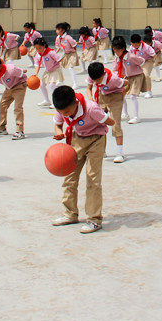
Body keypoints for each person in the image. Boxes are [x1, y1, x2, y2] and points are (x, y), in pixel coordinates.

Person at [50, 85, 114, 234]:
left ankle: (94, 219)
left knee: (93, 179)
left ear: (75, 103)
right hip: (77, 139)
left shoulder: (91, 109)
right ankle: (70, 214)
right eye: (61, 112)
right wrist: (59, 133)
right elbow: (58, 124)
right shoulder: (62, 108)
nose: (64, 114)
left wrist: (102, 116)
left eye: (66, 112)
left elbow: (110, 122)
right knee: (69, 177)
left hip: (96, 139)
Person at [86, 61, 126, 163]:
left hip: (115, 97)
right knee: (98, 123)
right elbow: (89, 88)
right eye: (95, 81)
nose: (97, 82)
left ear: (103, 74)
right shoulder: (92, 75)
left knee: (115, 124)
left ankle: (120, 153)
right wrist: (91, 100)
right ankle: (101, 150)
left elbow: (126, 83)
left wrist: (122, 96)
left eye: (99, 80)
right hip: (102, 97)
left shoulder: (114, 79)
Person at [112, 36, 145, 124]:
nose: (116, 52)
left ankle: (136, 117)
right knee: (121, 95)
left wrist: (135, 67)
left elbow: (142, 61)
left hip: (136, 76)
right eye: (114, 50)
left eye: (118, 50)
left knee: (133, 96)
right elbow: (115, 70)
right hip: (126, 78)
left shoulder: (131, 56)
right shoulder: (117, 58)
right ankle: (125, 114)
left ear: (123, 48)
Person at [32, 37, 63, 108]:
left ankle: (56, 103)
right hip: (47, 71)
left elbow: (59, 59)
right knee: (42, 85)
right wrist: (36, 73)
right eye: (36, 48)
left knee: (52, 85)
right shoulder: (38, 55)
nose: (38, 50)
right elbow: (37, 65)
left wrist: (58, 66)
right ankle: (47, 100)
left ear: (44, 45)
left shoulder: (51, 52)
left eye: (40, 48)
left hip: (55, 70)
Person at [54, 22, 80, 89]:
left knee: (70, 68)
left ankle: (75, 84)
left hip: (72, 54)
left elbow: (75, 45)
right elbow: (58, 47)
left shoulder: (68, 37)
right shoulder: (57, 38)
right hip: (65, 54)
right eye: (56, 29)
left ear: (63, 30)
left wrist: (75, 53)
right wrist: (54, 54)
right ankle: (60, 81)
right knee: (58, 66)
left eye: (58, 29)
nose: (56, 31)